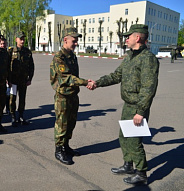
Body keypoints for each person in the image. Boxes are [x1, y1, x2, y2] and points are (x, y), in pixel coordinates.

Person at [88, 24, 159, 184]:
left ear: (137, 38)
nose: (126, 39)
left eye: (129, 36)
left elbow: (149, 88)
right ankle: (128, 165)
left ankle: (141, 173)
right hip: (128, 105)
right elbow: (116, 75)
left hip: (137, 107)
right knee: (123, 136)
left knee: (134, 140)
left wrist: (141, 111)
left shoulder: (148, 59)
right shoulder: (130, 57)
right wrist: (97, 83)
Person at [50, 27, 94, 165]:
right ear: (65, 40)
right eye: (73, 41)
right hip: (63, 96)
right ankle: (58, 150)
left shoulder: (72, 56)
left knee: (71, 122)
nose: (76, 43)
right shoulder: (59, 57)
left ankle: (66, 146)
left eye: (76, 41)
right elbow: (67, 78)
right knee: (62, 124)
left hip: (73, 95)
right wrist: (86, 82)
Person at [8, 31, 34, 127]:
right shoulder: (11, 51)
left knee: (22, 99)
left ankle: (21, 116)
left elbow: (31, 66)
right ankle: (13, 117)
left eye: (23, 39)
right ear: (16, 40)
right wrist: (8, 79)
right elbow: (7, 66)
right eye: (20, 39)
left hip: (23, 81)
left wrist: (30, 78)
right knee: (12, 99)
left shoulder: (27, 52)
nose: (22, 41)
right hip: (13, 81)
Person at [0, 37, 10, 115]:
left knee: (8, 95)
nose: (3, 45)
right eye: (1, 44)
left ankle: (8, 108)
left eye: (4, 44)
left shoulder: (8, 54)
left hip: (7, 78)